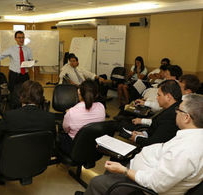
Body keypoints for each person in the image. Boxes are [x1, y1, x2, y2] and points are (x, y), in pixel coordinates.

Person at [75, 93, 203, 195]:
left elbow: (156, 184)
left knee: (96, 182)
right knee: (109, 173)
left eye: (178, 110)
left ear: (186, 117)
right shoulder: (193, 136)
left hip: (141, 187)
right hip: (142, 169)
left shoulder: (186, 151)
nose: (175, 112)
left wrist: (124, 171)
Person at [0, 80, 55, 175]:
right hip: (38, 164)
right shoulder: (50, 118)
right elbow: (51, 144)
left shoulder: (10, 117)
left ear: (21, 96)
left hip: (7, 166)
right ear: (41, 97)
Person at [128, 80, 182, 147]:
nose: (157, 98)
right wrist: (144, 134)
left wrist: (136, 138)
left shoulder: (171, 116)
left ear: (168, 97)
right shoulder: (175, 106)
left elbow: (155, 143)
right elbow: (157, 127)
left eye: (159, 95)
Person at [59, 79, 106, 155]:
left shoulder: (71, 112)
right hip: (93, 147)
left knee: (60, 134)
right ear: (96, 94)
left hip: (75, 149)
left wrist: (68, 114)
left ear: (79, 92)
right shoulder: (101, 107)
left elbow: (66, 129)